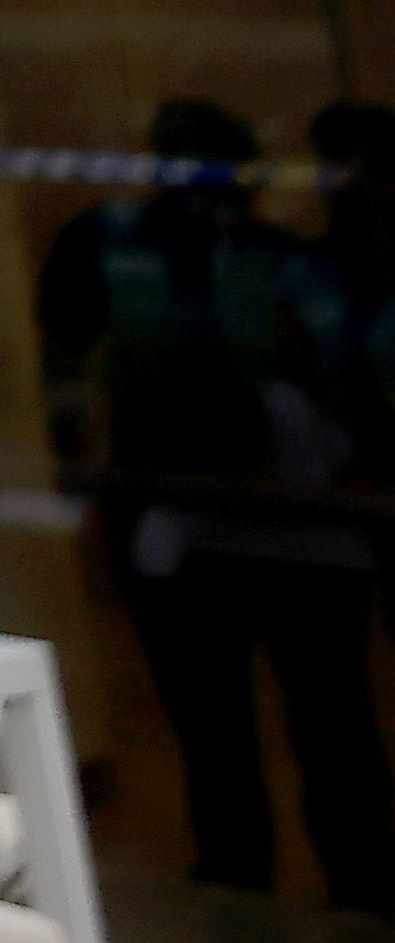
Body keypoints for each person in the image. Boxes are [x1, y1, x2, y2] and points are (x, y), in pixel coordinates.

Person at [37, 97, 393, 912]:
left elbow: (350, 383)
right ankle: (239, 888)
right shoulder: (108, 244)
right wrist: (84, 470)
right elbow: (65, 357)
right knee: (213, 731)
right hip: (177, 519)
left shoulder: (290, 261)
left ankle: (364, 884)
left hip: (306, 523)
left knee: (334, 725)